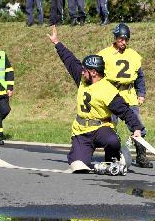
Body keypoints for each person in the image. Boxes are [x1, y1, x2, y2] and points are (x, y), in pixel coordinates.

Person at [47, 25, 143, 172]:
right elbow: (71, 61)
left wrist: (136, 127)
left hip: (100, 128)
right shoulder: (81, 79)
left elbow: (124, 110)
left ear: (93, 73)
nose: (82, 71)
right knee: (78, 167)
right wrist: (57, 43)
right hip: (81, 131)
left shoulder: (107, 90)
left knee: (112, 141)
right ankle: (86, 159)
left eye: (85, 70)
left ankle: (112, 161)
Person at [97, 23, 153, 169]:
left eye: (126, 40)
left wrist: (141, 93)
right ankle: (111, 156)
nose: (124, 42)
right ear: (115, 38)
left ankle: (141, 157)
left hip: (129, 94)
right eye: (121, 39)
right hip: (111, 94)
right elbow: (97, 76)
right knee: (110, 126)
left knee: (137, 126)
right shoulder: (104, 54)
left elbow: (140, 77)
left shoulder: (133, 55)